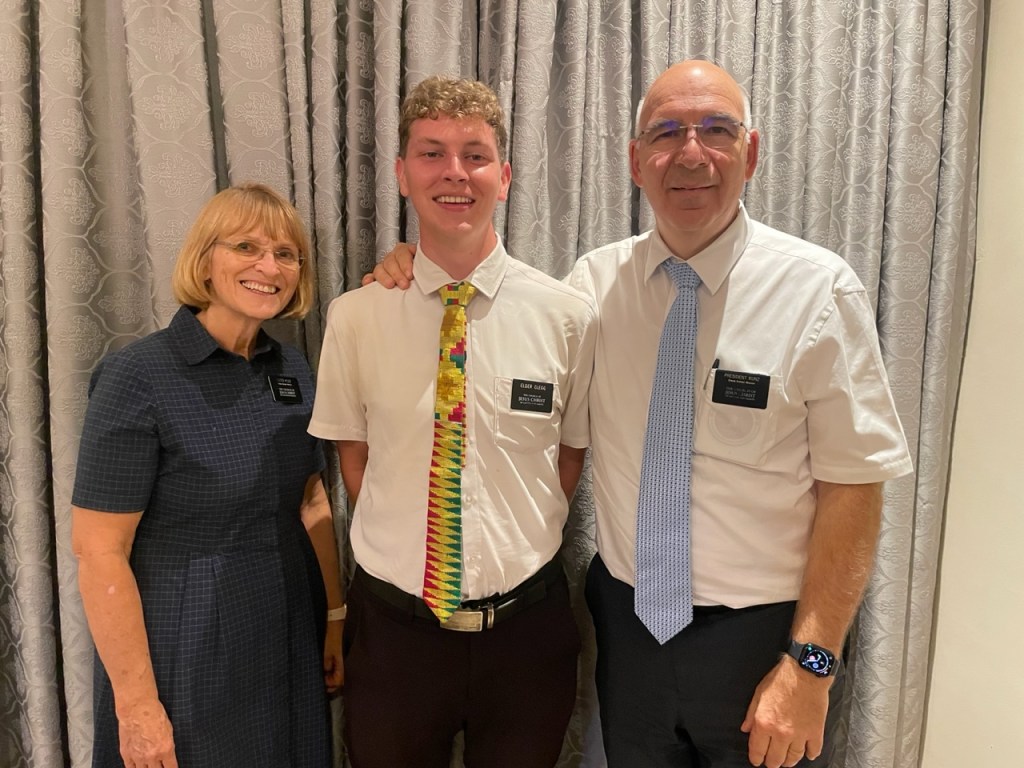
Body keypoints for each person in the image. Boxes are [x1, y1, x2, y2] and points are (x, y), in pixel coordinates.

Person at [368, 60, 913, 768]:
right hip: (629, 633)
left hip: (761, 641)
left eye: (717, 130)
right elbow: (501, 331)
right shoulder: (591, 288)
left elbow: (855, 485)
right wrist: (413, 272)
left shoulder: (819, 291)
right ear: (634, 161)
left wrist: (810, 665)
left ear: (751, 152)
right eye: (666, 133)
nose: (691, 153)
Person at [308, 76, 596, 768]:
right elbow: (356, 462)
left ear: (505, 176)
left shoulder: (567, 316)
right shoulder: (356, 317)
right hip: (395, 633)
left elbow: (568, 458)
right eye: (432, 153)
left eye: (475, 154)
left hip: (526, 635)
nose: (454, 172)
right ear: (403, 174)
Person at [72, 182, 344, 768]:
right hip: (186, 641)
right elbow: (99, 551)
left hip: (288, 627)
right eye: (246, 247)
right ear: (204, 261)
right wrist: (137, 708)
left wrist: (335, 618)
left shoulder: (292, 367)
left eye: (286, 254)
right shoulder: (138, 376)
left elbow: (312, 501)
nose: (268, 267)